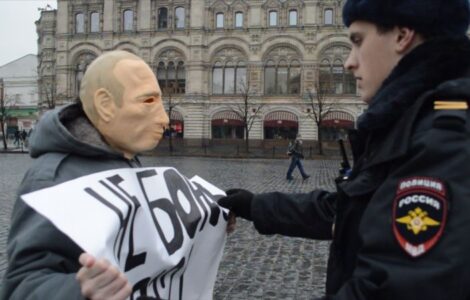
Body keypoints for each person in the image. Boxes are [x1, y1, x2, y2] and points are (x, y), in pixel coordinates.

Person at [219, 0, 470, 298]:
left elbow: (394, 287)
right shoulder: (408, 122)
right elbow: (348, 209)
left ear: (403, 36)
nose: (348, 62)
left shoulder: (445, 139)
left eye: (358, 41)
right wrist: (254, 205)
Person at [0, 50, 169, 300]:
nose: (164, 118)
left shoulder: (124, 158)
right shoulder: (51, 179)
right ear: (106, 106)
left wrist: (209, 217)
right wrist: (78, 291)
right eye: (148, 102)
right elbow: (20, 287)